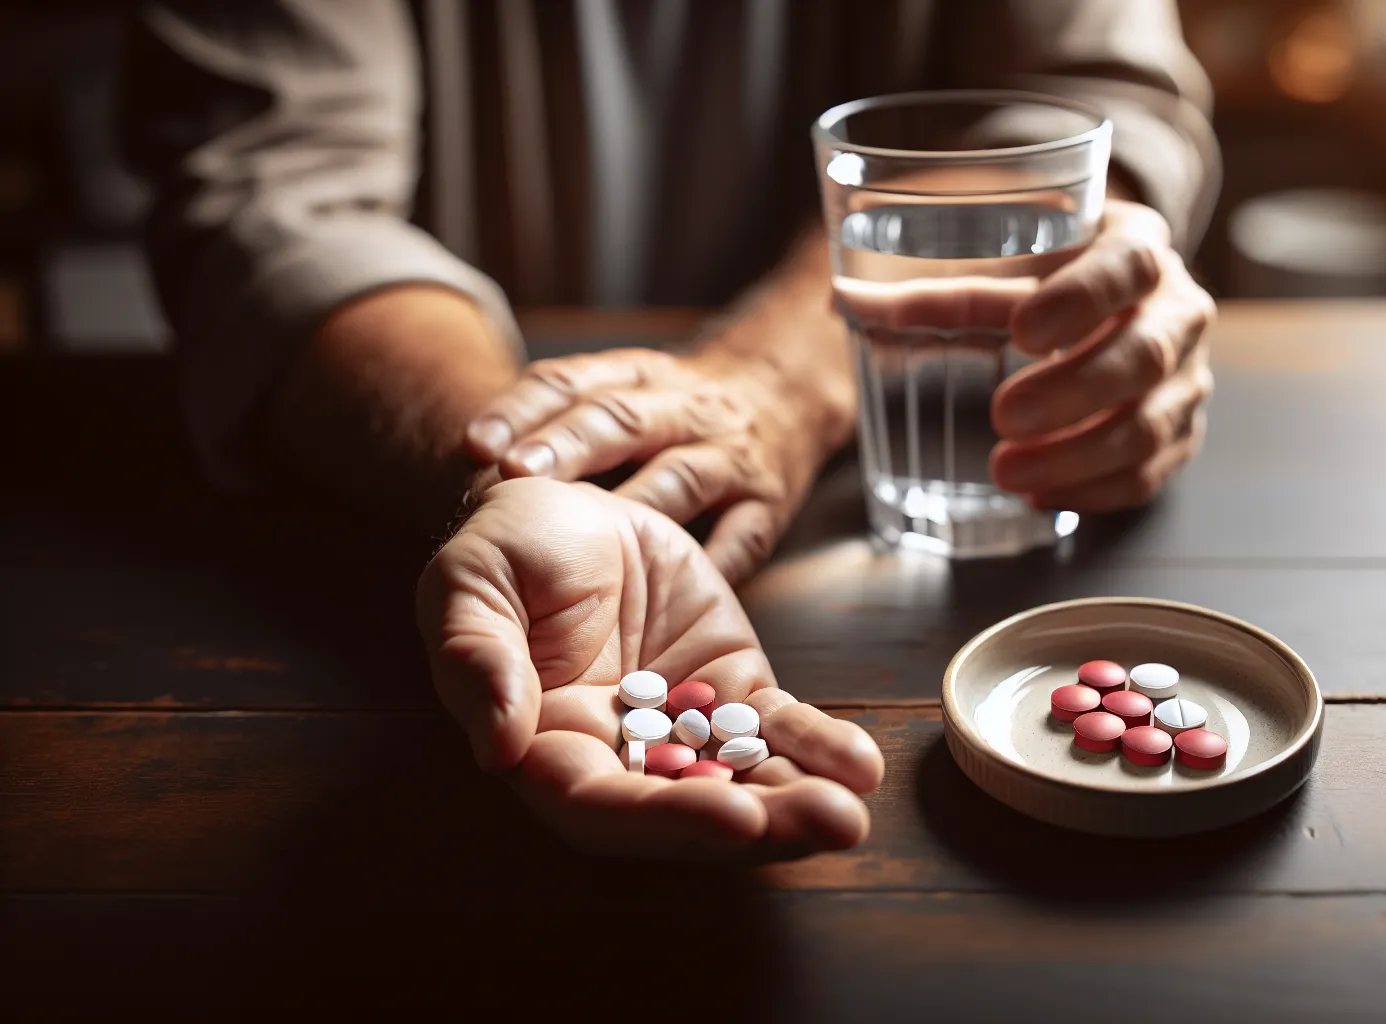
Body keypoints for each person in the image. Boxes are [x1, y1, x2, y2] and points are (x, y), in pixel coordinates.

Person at [122, 0, 1220, 862]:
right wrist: (520, 476)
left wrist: (782, 379)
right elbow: (275, 198)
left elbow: (1089, 104)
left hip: (936, 493)